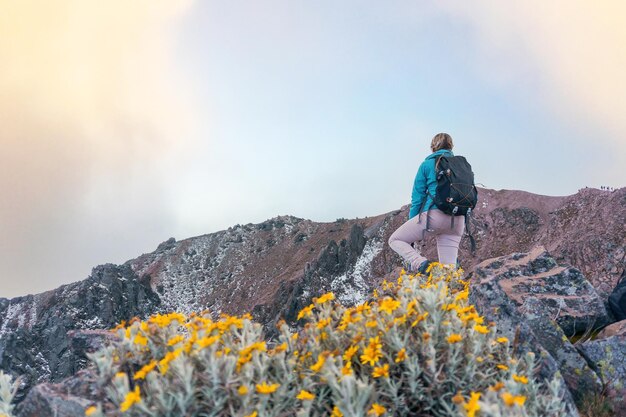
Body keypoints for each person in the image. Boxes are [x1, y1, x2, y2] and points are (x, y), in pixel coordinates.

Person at [388, 133, 465, 274]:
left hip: (434, 216)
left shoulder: (427, 164)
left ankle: (423, 265)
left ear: (432, 147)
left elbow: (417, 198)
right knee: (449, 273)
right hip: (458, 220)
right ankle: (452, 290)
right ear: (451, 146)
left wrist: (412, 222)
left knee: (395, 240)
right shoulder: (460, 166)